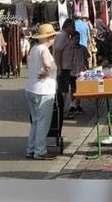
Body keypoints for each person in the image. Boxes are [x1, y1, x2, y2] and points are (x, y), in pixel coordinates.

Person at [24, 23, 58, 160]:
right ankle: (40, 151)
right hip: (43, 90)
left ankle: (31, 149)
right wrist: (47, 71)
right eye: (53, 36)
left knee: (36, 121)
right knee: (43, 122)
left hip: (31, 87)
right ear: (49, 37)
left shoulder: (34, 48)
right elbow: (47, 64)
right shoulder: (44, 49)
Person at [53, 19, 76, 119]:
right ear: (68, 26)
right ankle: (60, 111)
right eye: (73, 27)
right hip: (64, 67)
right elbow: (58, 50)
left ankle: (62, 110)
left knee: (64, 89)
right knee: (63, 90)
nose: (74, 29)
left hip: (66, 66)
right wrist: (59, 66)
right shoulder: (63, 36)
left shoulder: (65, 36)